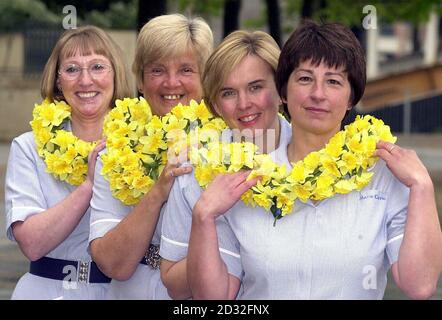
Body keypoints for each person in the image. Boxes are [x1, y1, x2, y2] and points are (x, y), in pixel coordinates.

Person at [186, 20, 442, 299]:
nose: (318, 94)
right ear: (283, 92)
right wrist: (203, 216)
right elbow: (213, 299)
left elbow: (419, 285)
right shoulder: (247, 177)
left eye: (333, 81)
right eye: (305, 79)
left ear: (350, 98)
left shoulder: (382, 173)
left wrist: (422, 187)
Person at [88, 14, 213, 299]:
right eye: (157, 70)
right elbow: (111, 264)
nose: (171, 83)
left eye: (186, 70)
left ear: (207, 77)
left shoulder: (228, 146)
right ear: (141, 82)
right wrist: (158, 192)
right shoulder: (116, 148)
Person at [159, 30, 292, 299]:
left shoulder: (314, 159)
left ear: (281, 91)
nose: (244, 104)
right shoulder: (193, 165)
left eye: (256, 87)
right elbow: (172, 281)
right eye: (229, 92)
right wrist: (208, 228)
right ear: (216, 105)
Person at [4, 26, 132, 299]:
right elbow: (32, 244)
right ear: (58, 80)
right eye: (72, 69)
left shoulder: (141, 145)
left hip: (121, 292)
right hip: (46, 290)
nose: (86, 81)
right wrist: (89, 185)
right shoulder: (28, 147)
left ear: (115, 74)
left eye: (97, 66)